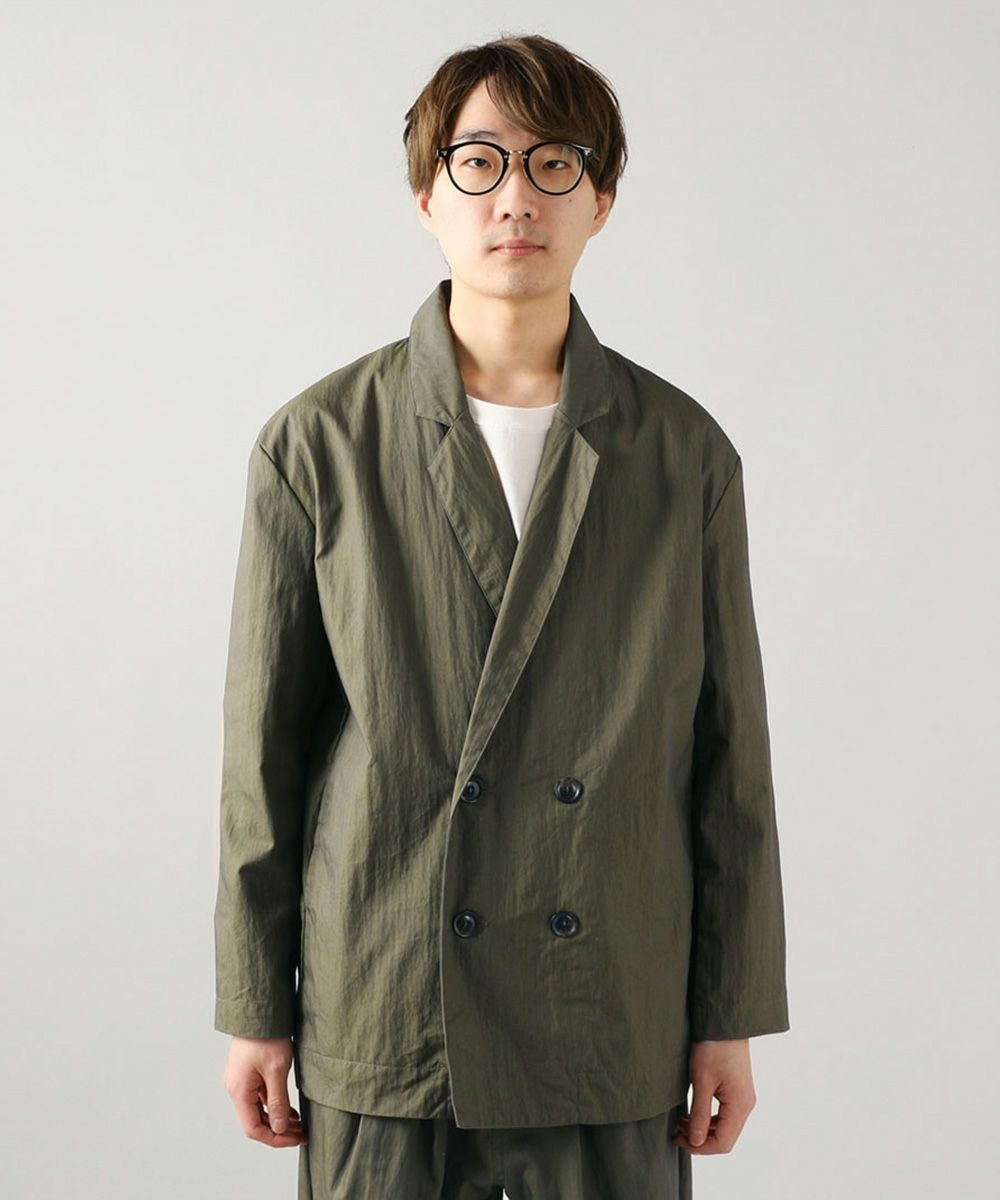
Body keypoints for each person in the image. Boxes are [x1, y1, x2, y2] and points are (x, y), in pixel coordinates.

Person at [214, 32, 789, 1200]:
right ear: (425, 197)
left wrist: (727, 1013)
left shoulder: (682, 453)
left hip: (606, 1006)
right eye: (477, 162)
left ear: (601, 200)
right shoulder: (320, 443)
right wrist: (254, 1006)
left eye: (552, 162)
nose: (515, 197)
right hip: (391, 996)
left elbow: (728, 759)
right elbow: (263, 757)